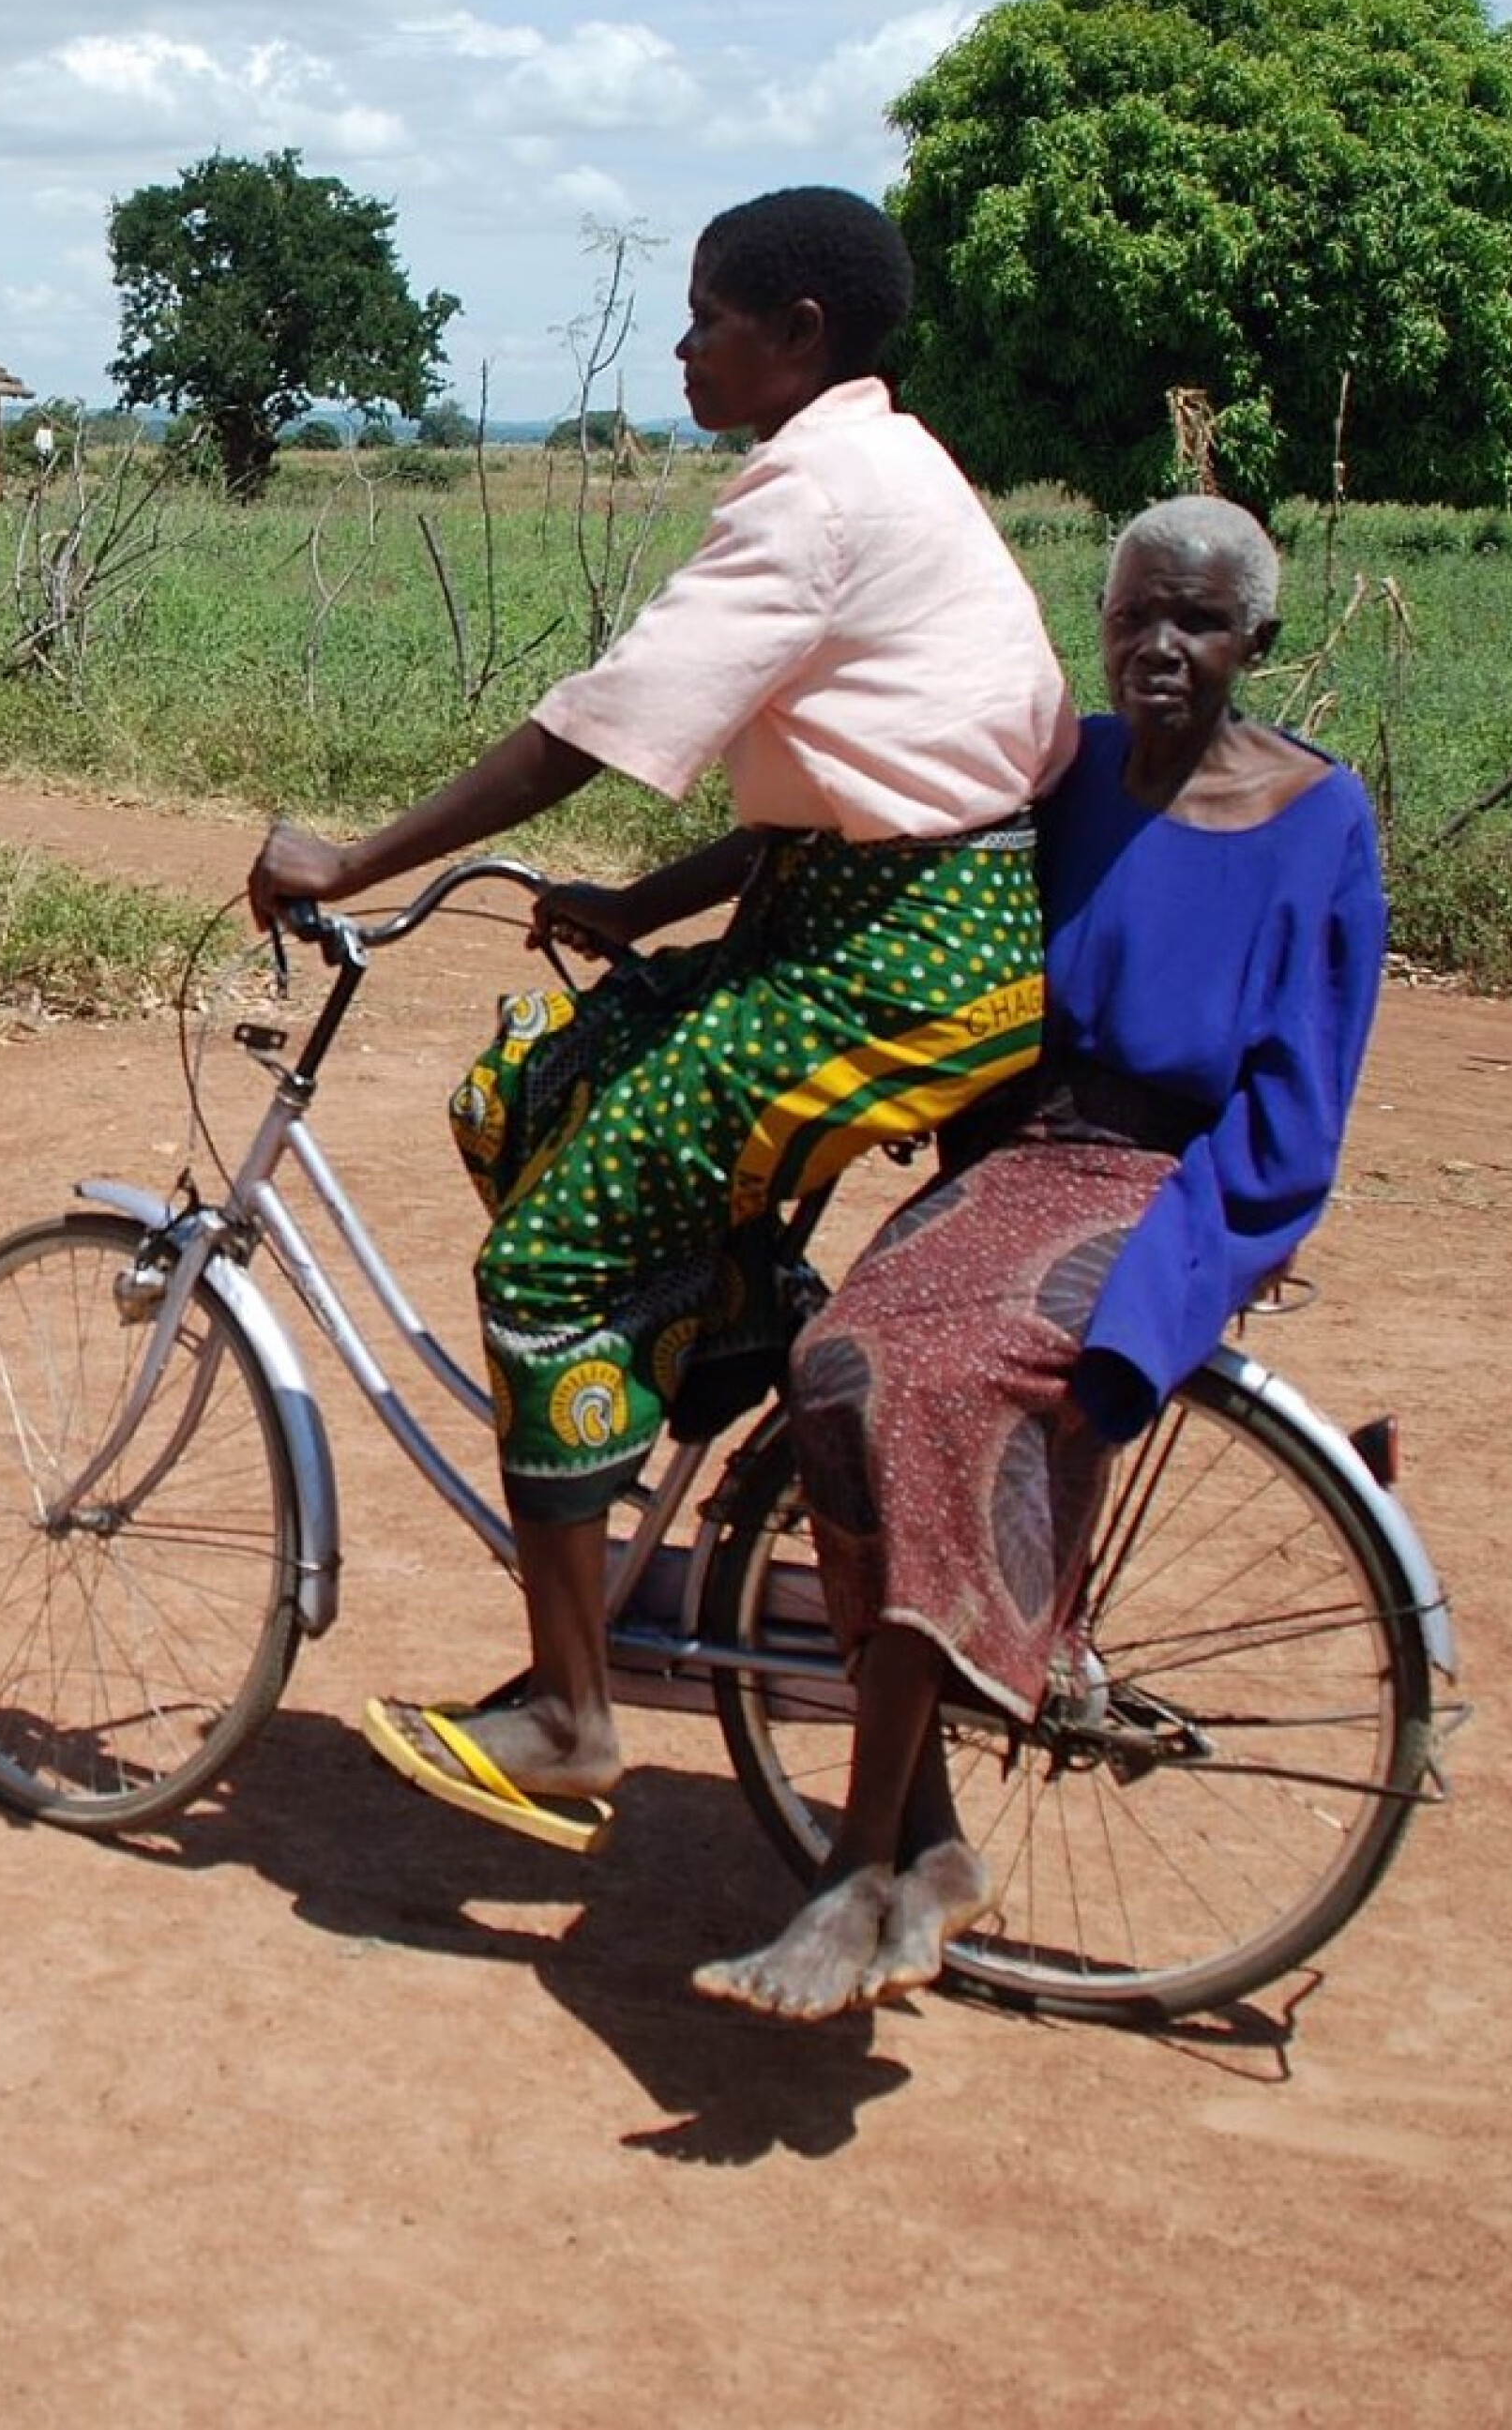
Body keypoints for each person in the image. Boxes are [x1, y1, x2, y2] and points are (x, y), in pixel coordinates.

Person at [246, 186, 1075, 1853]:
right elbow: (858, 771)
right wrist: (642, 912)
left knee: (542, 1265)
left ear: (800, 334)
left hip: (892, 959)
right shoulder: (888, 461)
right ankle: (724, 1321)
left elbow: (590, 732)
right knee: (542, 1090)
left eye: (708, 317)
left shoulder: (814, 491)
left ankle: (566, 1710)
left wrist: (354, 853)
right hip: (876, 914)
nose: (683, 345)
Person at [693, 493, 1387, 2018]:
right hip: (1004, 1162)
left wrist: (1187, 1274)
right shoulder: (1062, 772)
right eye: (1136, 611)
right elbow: (876, 869)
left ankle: (859, 1864)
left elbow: (1297, 1111)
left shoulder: (1315, 817)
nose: (1159, 645)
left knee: (937, 1377)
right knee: (833, 1362)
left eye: (1197, 621)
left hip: (1160, 1187)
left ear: (1257, 640)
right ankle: (930, 1836)